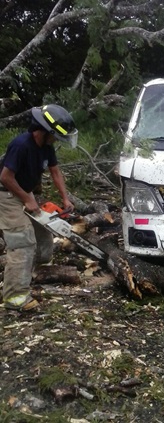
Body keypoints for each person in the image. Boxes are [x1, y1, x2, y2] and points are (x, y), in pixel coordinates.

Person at [0, 104, 78, 312]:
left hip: (25, 191)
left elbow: (55, 172)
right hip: (7, 194)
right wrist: (27, 199)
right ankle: (15, 296)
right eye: (55, 136)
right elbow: (6, 177)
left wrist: (65, 198)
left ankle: (39, 270)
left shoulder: (46, 146)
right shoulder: (21, 145)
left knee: (44, 232)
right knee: (22, 242)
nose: (56, 141)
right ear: (44, 131)